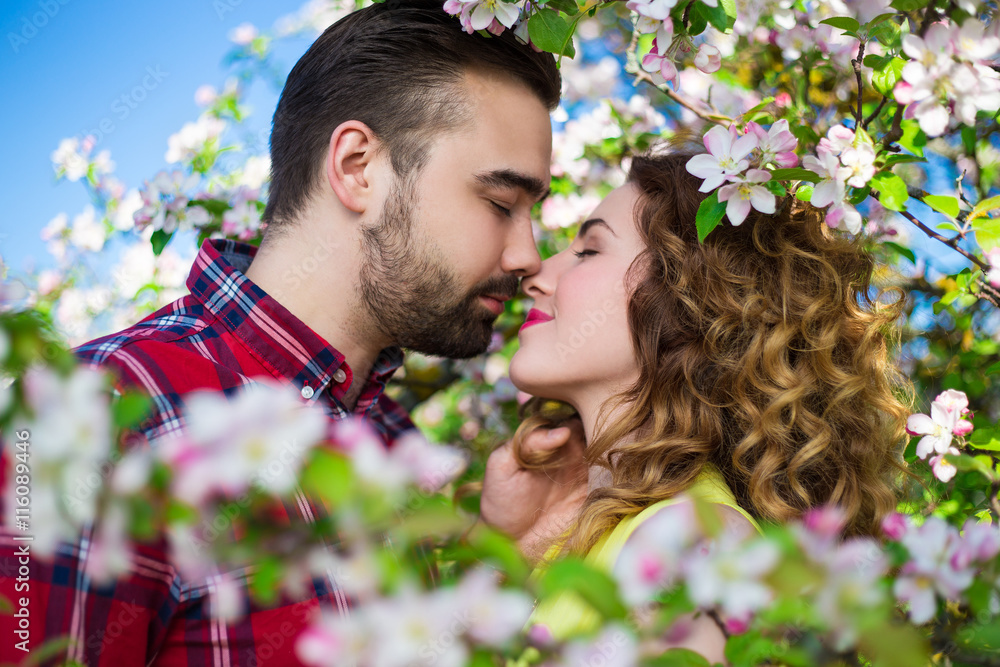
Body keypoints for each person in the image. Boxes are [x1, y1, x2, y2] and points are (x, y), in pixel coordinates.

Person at [0, 2, 561, 665]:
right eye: (500, 203)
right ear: (357, 167)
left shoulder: (387, 439)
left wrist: (509, 553)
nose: (529, 255)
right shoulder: (91, 417)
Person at [480, 150, 911, 657]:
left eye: (589, 251)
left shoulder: (690, 541)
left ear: (692, 304)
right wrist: (510, 546)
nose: (536, 273)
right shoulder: (598, 537)